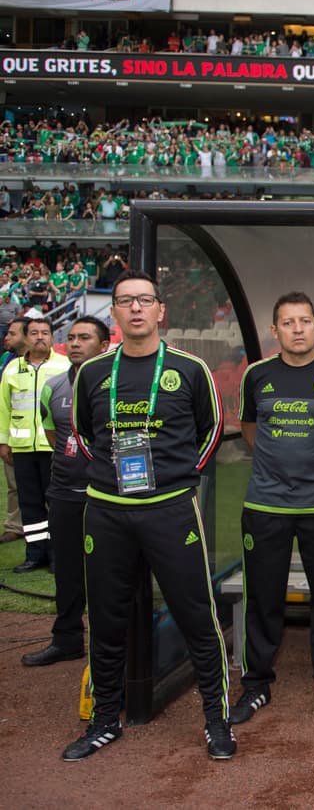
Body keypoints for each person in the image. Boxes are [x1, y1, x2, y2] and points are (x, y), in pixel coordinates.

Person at [64, 270, 232, 761]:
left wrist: (179, 482)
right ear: (113, 313)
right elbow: (83, 433)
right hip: (108, 513)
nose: (136, 308)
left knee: (197, 617)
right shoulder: (94, 373)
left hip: (170, 511)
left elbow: (212, 429)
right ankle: (103, 720)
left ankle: (216, 721)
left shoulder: (190, 368)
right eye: (125, 301)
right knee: (108, 619)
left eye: (145, 300)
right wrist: (109, 481)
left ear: (161, 310)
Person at [229, 292, 314, 725]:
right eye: (288, 322)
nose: (297, 328)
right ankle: (256, 682)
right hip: (266, 504)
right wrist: (275, 462)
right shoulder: (257, 376)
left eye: (305, 321)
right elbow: (250, 428)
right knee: (263, 596)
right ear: (275, 330)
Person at [20, 316, 110, 666]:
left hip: (104, 496)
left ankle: (114, 646)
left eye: (84, 337)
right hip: (64, 493)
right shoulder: (53, 386)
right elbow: (53, 435)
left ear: (103, 346)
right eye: (71, 337)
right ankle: (68, 638)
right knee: (68, 572)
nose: (74, 343)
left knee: (110, 573)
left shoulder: (113, 384)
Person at [0, 315, 71, 572]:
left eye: (45, 332)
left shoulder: (64, 366)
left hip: (53, 447)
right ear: (26, 338)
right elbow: (4, 409)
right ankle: (35, 554)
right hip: (22, 449)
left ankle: (56, 554)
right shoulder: (12, 368)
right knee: (29, 505)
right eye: (34, 333)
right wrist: (3, 442)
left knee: (55, 503)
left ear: (53, 337)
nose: (40, 337)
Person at [0, 318, 26, 545]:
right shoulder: (7, 360)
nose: (6, 337)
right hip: (14, 434)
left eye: (12, 333)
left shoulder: (54, 364)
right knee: (13, 485)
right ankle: (15, 526)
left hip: (44, 440)